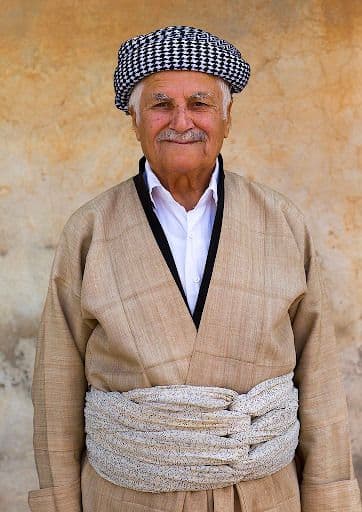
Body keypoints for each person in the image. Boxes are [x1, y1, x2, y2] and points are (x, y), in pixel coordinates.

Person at [28, 26, 361, 512]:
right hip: (127, 500)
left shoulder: (283, 223)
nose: (181, 121)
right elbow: (56, 389)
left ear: (227, 119)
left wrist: (331, 500)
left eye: (200, 104)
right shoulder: (90, 230)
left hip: (264, 498)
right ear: (135, 120)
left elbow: (321, 383)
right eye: (161, 104)